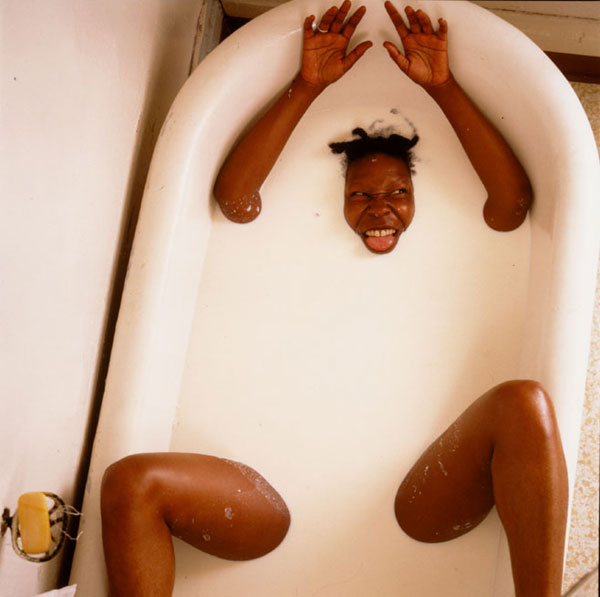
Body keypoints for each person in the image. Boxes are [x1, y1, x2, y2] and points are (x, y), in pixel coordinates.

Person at [101, 3, 567, 596]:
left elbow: (513, 204)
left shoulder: (464, 235)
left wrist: (444, 86)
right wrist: (307, 85)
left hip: (421, 500)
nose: (380, 207)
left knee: (525, 405)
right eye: (362, 194)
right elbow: (234, 199)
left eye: (397, 192)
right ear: (341, 196)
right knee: (129, 483)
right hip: (265, 504)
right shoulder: (287, 236)